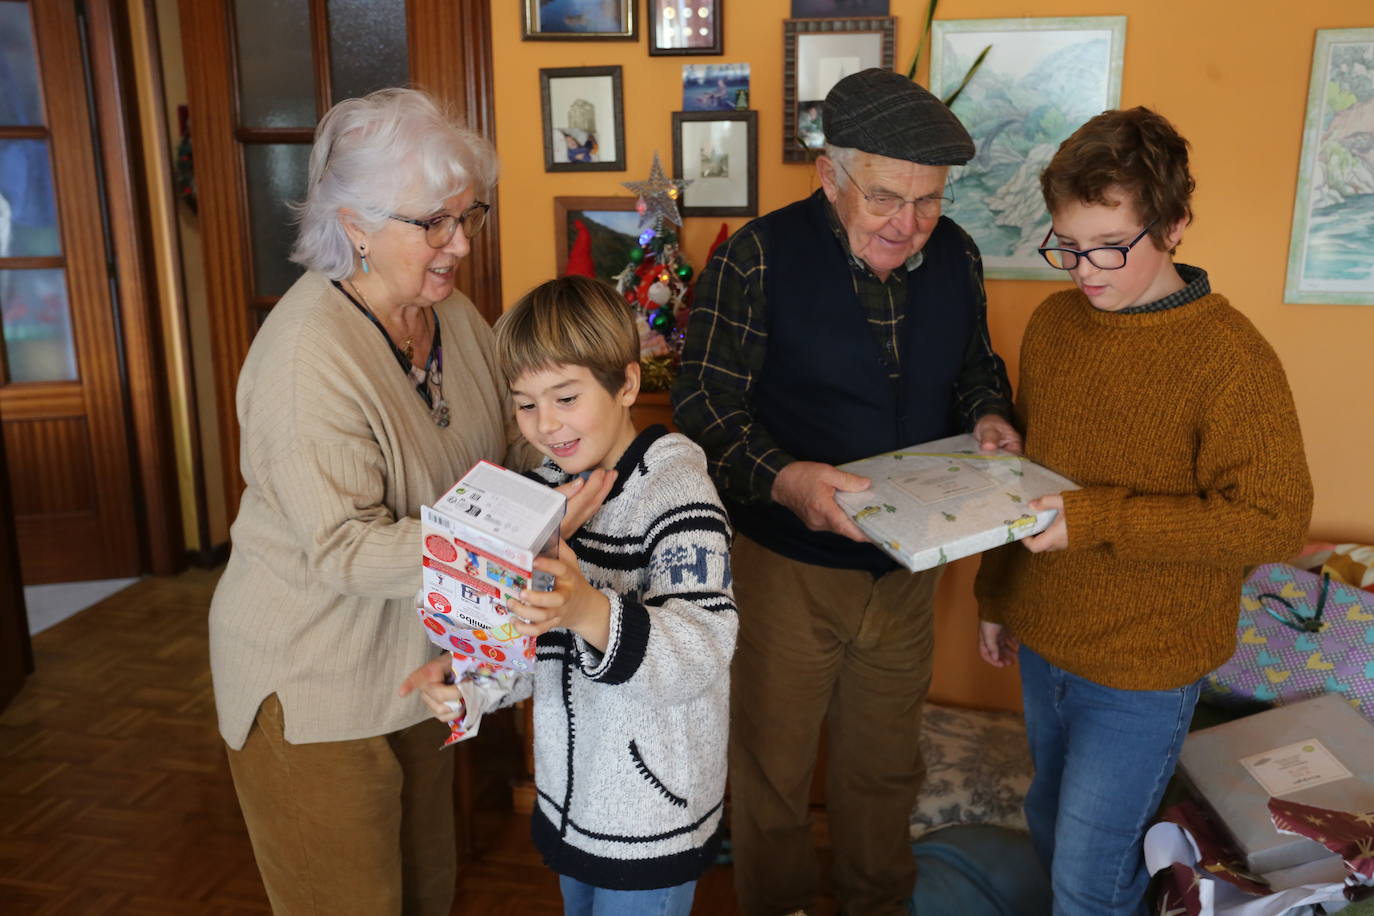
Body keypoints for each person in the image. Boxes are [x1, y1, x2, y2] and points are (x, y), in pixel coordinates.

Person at [208, 88, 609, 915]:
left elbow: (510, 441)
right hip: (311, 680)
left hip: (422, 663)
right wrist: (517, 541)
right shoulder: (304, 362)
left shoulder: (452, 316)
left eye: (468, 217)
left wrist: (601, 452)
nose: (460, 244)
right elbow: (346, 550)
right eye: (434, 224)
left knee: (429, 888)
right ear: (355, 224)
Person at [673, 68, 1020, 916]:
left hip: (906, 568)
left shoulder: (959, 253)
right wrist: (786, 480)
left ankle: (876, 905)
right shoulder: (757, 254)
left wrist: (990, 418)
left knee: (883, 765)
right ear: (831, 175)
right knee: (774, 767)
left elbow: (976, 367)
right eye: (886, 198)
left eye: (929, 200)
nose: (909, 224)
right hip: (786, 565)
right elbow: (703, 402)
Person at [974, 106, 1313, 915]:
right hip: (1044, 640)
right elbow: (1032, 476)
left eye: (1109, 248)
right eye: (1068, 245)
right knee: (1051, 828)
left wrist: (1098, 520)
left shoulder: (1230, 357)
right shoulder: (1057, 325)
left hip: (1144, 669)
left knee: (1089, 882)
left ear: (1176, 226)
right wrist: (998, 592)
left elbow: (1272, 519)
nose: (1085, 271)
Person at [401, 276, 737, 916]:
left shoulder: (680, 497)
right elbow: (528, 639)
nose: (545, 425)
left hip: (651, 820)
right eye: (525, 404)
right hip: (570, 808)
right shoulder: (540, 492)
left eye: (566, 396)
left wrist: (590, 610)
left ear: (627, 385)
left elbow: (703, 648)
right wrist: (469, 677)